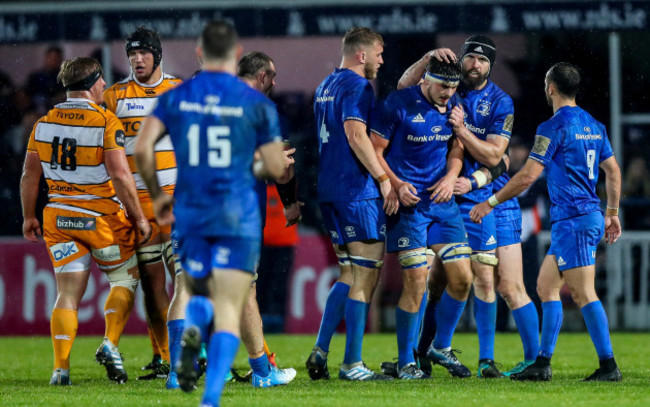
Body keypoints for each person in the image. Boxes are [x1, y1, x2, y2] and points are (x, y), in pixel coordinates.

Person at [134, 20, 286, 406]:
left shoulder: (178, 97)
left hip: (190, 206)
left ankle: (177, 369)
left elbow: (142, 148)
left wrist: (157, 195)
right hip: (235, 212)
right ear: (236, 56)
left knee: (187, 287)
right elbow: (274, 167)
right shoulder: (254, 103)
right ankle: (213, 395)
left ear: (200, 53)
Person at [470, 62, 623, 382]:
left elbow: (527, 175)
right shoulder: (594, 125)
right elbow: (613, 171)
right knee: (545, 286)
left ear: (551, 88)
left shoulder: (553, 127)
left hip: (576, 220)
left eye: (544, 83)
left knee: (583, 293)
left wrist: (491, 201)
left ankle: (609, 366)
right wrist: (611, 212)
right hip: (582, 218)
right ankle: (542, 362)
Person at [397, 35, 539, 378]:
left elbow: (497, 157)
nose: (475, 65)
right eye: (470, 58)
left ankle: (499, 360)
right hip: (446, 198)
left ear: (491, 65)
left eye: (483, 60)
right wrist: (428, 55)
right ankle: (421, 354)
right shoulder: (445, 85)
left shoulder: (500, 102)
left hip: (486, 199)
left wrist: (463, 138)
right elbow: (404, 86)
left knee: (493, 281)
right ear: (460, 60)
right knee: (436, 281)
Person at [20, 57, 151, 385]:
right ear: (93, 83)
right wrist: (138, 217)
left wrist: (28, 216)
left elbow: (29, 175)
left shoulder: (43, 123)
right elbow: (120, 175)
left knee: (66, 294)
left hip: (59, 219)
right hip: (100, 219)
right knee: (124, 279)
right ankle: (110, 343)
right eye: (102, 81)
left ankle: (60, 369)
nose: (105, 86)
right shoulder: (105, 121)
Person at [370, 57, 473, 380]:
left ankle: (438, 346)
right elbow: (375, 150)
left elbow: (457, 148)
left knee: (462, 279)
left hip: (442, 204)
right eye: (443, 85)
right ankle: (405, 362)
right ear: (424, 80)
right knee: (416, 283)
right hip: (409, 206)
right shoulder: (397, 104)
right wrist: (396, 185)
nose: (448, 92)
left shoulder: (454, 104)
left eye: (454, 86)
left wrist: (450, 176)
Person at [306, 26, 393, 382]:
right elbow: (356, 134)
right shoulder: (358, 86)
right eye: (379, 53)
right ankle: (352, 363)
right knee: (365, 274)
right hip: (356, 191)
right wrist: (384, 179)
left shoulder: (325, 85)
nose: (381, 60)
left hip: (328, 190)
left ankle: (320, 350)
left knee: (347, 272)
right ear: (362, 55)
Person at [103, 26, 182, 380]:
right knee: (152, 284)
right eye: (132, 54)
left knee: (186, 280)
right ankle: (163, 356)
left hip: (178, 198)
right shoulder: (114, 96)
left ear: (157, 55)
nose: (137, 59)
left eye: (143, 53)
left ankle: (190, 352)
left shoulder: (179, 91)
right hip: (140, 203)